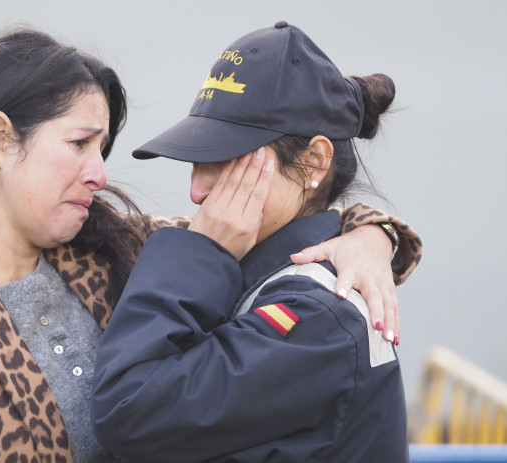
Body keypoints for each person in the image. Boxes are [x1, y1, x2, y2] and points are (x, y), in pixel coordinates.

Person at [0, 25, 421, 462]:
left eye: (103, 150)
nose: (99, 173)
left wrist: (369, 235)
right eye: (79, 143)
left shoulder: (118, 247)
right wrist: (370, 235)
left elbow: (276, 234)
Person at [91, 22, 412, 462]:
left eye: (224, 159)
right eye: (195, 159)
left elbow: (129, 408)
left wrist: (201, 252)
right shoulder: (272, 267)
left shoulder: (318, 318)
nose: (197, 191)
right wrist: (376, 231)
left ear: (315, 160)